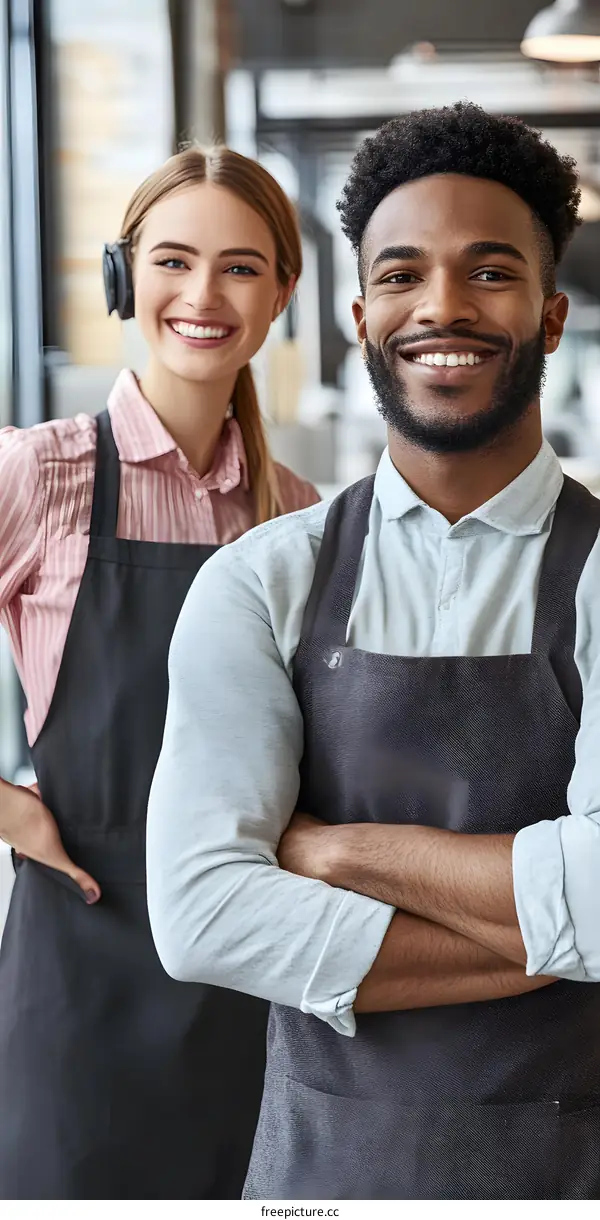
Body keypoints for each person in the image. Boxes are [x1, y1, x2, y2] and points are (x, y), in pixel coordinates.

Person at [146, 104, 600, 1202]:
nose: (441, 305)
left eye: (489, 273)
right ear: (361, 315)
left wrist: (344, 853)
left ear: (550, 317)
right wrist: (558, 929)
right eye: (402, 275)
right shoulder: (260, 581)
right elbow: (203, 914)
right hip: (327, 1172)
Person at [0, 145, 319, 1201]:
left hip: (248, 977)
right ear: (121, 273)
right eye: (173, 259)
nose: (202, 295)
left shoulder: (302, 515)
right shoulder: (39, 473)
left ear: (282, 290)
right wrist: (10, 809)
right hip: (77, 966)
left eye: (239, 266)